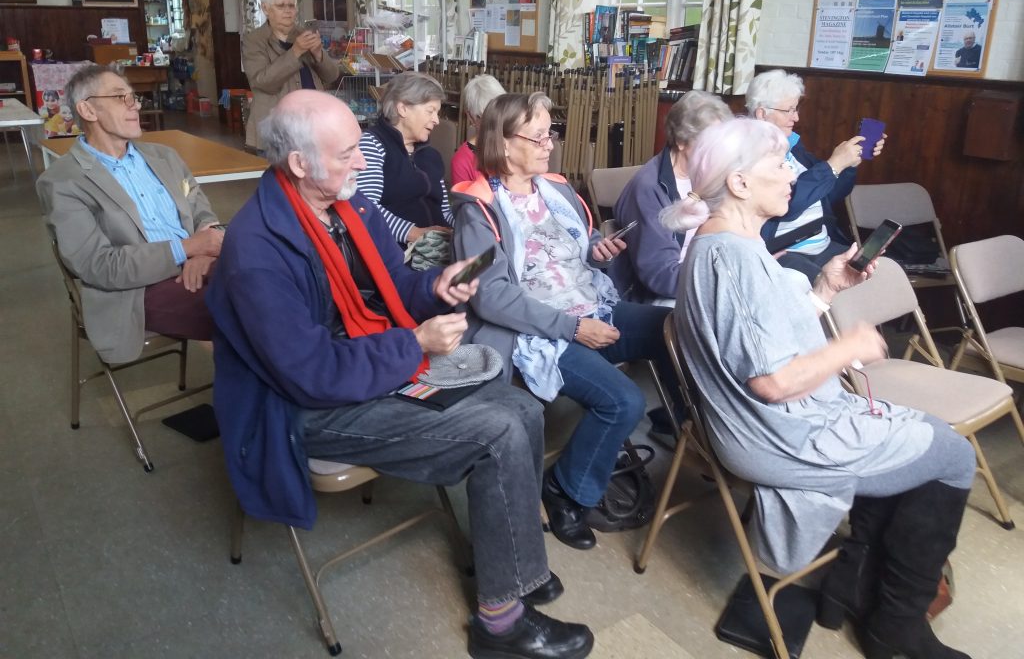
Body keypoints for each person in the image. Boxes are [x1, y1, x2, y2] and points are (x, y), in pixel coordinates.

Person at [206, 90, 593, 659]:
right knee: (498, 430)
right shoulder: (258, 249)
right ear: (298, 165)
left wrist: (435, 288)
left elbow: (393, 284)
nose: (363, 164)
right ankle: (500, 622)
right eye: (346, 156)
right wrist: (411, 343)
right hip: (299, 406)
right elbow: (309, 375)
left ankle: (515, 566)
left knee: (522, 407)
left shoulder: (348, 208)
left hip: (359, 361)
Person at [666, 117, 974, 659]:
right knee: (952, 455)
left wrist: (827, 288)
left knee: (927, 448)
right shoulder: (732, 258)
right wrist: (847, 348)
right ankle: (895, 629)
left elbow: (768, 340)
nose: (795, 174)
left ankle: (852, 591)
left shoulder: (733, 242)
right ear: (739, 183)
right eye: (781, 165)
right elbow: (771, 381)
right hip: (774, 435)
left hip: (778, 421)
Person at [452, 92, 678, 551]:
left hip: (591, 305)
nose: (549, 143)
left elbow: (581, 241)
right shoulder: (476, 212)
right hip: (539, 332)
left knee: (675, 330)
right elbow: (491, 296)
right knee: (622, 401)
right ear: (503, 142)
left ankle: (688, 430)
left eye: (549, 133)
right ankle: (565, 491)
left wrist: (597, 249)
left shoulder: (556, 190)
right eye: (537, 136)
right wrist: (573, 329)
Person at [37, 64, 223, 364]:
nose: (135, 105)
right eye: (120, 97)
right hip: (136, 290)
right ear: (88, 110)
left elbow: (201, 210)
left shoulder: (164, 157)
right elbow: (101, 266)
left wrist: (204, 253)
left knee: (279, 281)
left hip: (200, 263)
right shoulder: (62, 182)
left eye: (133, 97)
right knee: (242, 311)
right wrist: (188, 248)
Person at [747, 69, 885, 281]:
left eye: (796, 109)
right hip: (783, 253)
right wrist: (833, 165)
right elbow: (786, 207)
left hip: (822, 244)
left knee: (878, 276)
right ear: (761, 113)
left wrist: (848, 165)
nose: (796, 117)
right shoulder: (750, 153)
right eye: (789, 110)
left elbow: (831, 194)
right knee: (842, 293)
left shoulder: (792, 146)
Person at [611, 90, 732, 305]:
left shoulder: (711, 175)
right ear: (681, 141)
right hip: (665, 294)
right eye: (709, 142)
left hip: (707, 275)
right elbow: (661, 276)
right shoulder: (649, 188)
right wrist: (721, 281)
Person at [356, 71, 454, 246]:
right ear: (403, 109)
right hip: (398, 252)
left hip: (437, 248)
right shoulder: (372, 145)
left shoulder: (430, 155)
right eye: (430, 111)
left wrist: (465, 228)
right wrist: (414, 233)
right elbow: (365, 207)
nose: (437, 120)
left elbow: (445, 211)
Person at [242, 0, 340, 152]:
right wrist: (295, 52)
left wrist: (318, 54)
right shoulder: (254, 41)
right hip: (276, 128)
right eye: (281, 6)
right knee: (280, 179)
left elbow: (332, 76)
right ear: (265, 8)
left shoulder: (304, 34)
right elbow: (263, 83)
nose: (288, 12)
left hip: (312, 125)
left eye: (292, 6)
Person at [451, 74, 506, 186]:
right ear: (470, 117)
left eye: (499, 113)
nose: (495, 121)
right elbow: (467, 202)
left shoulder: (516, 142)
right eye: (484, 116)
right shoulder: (462, 161)